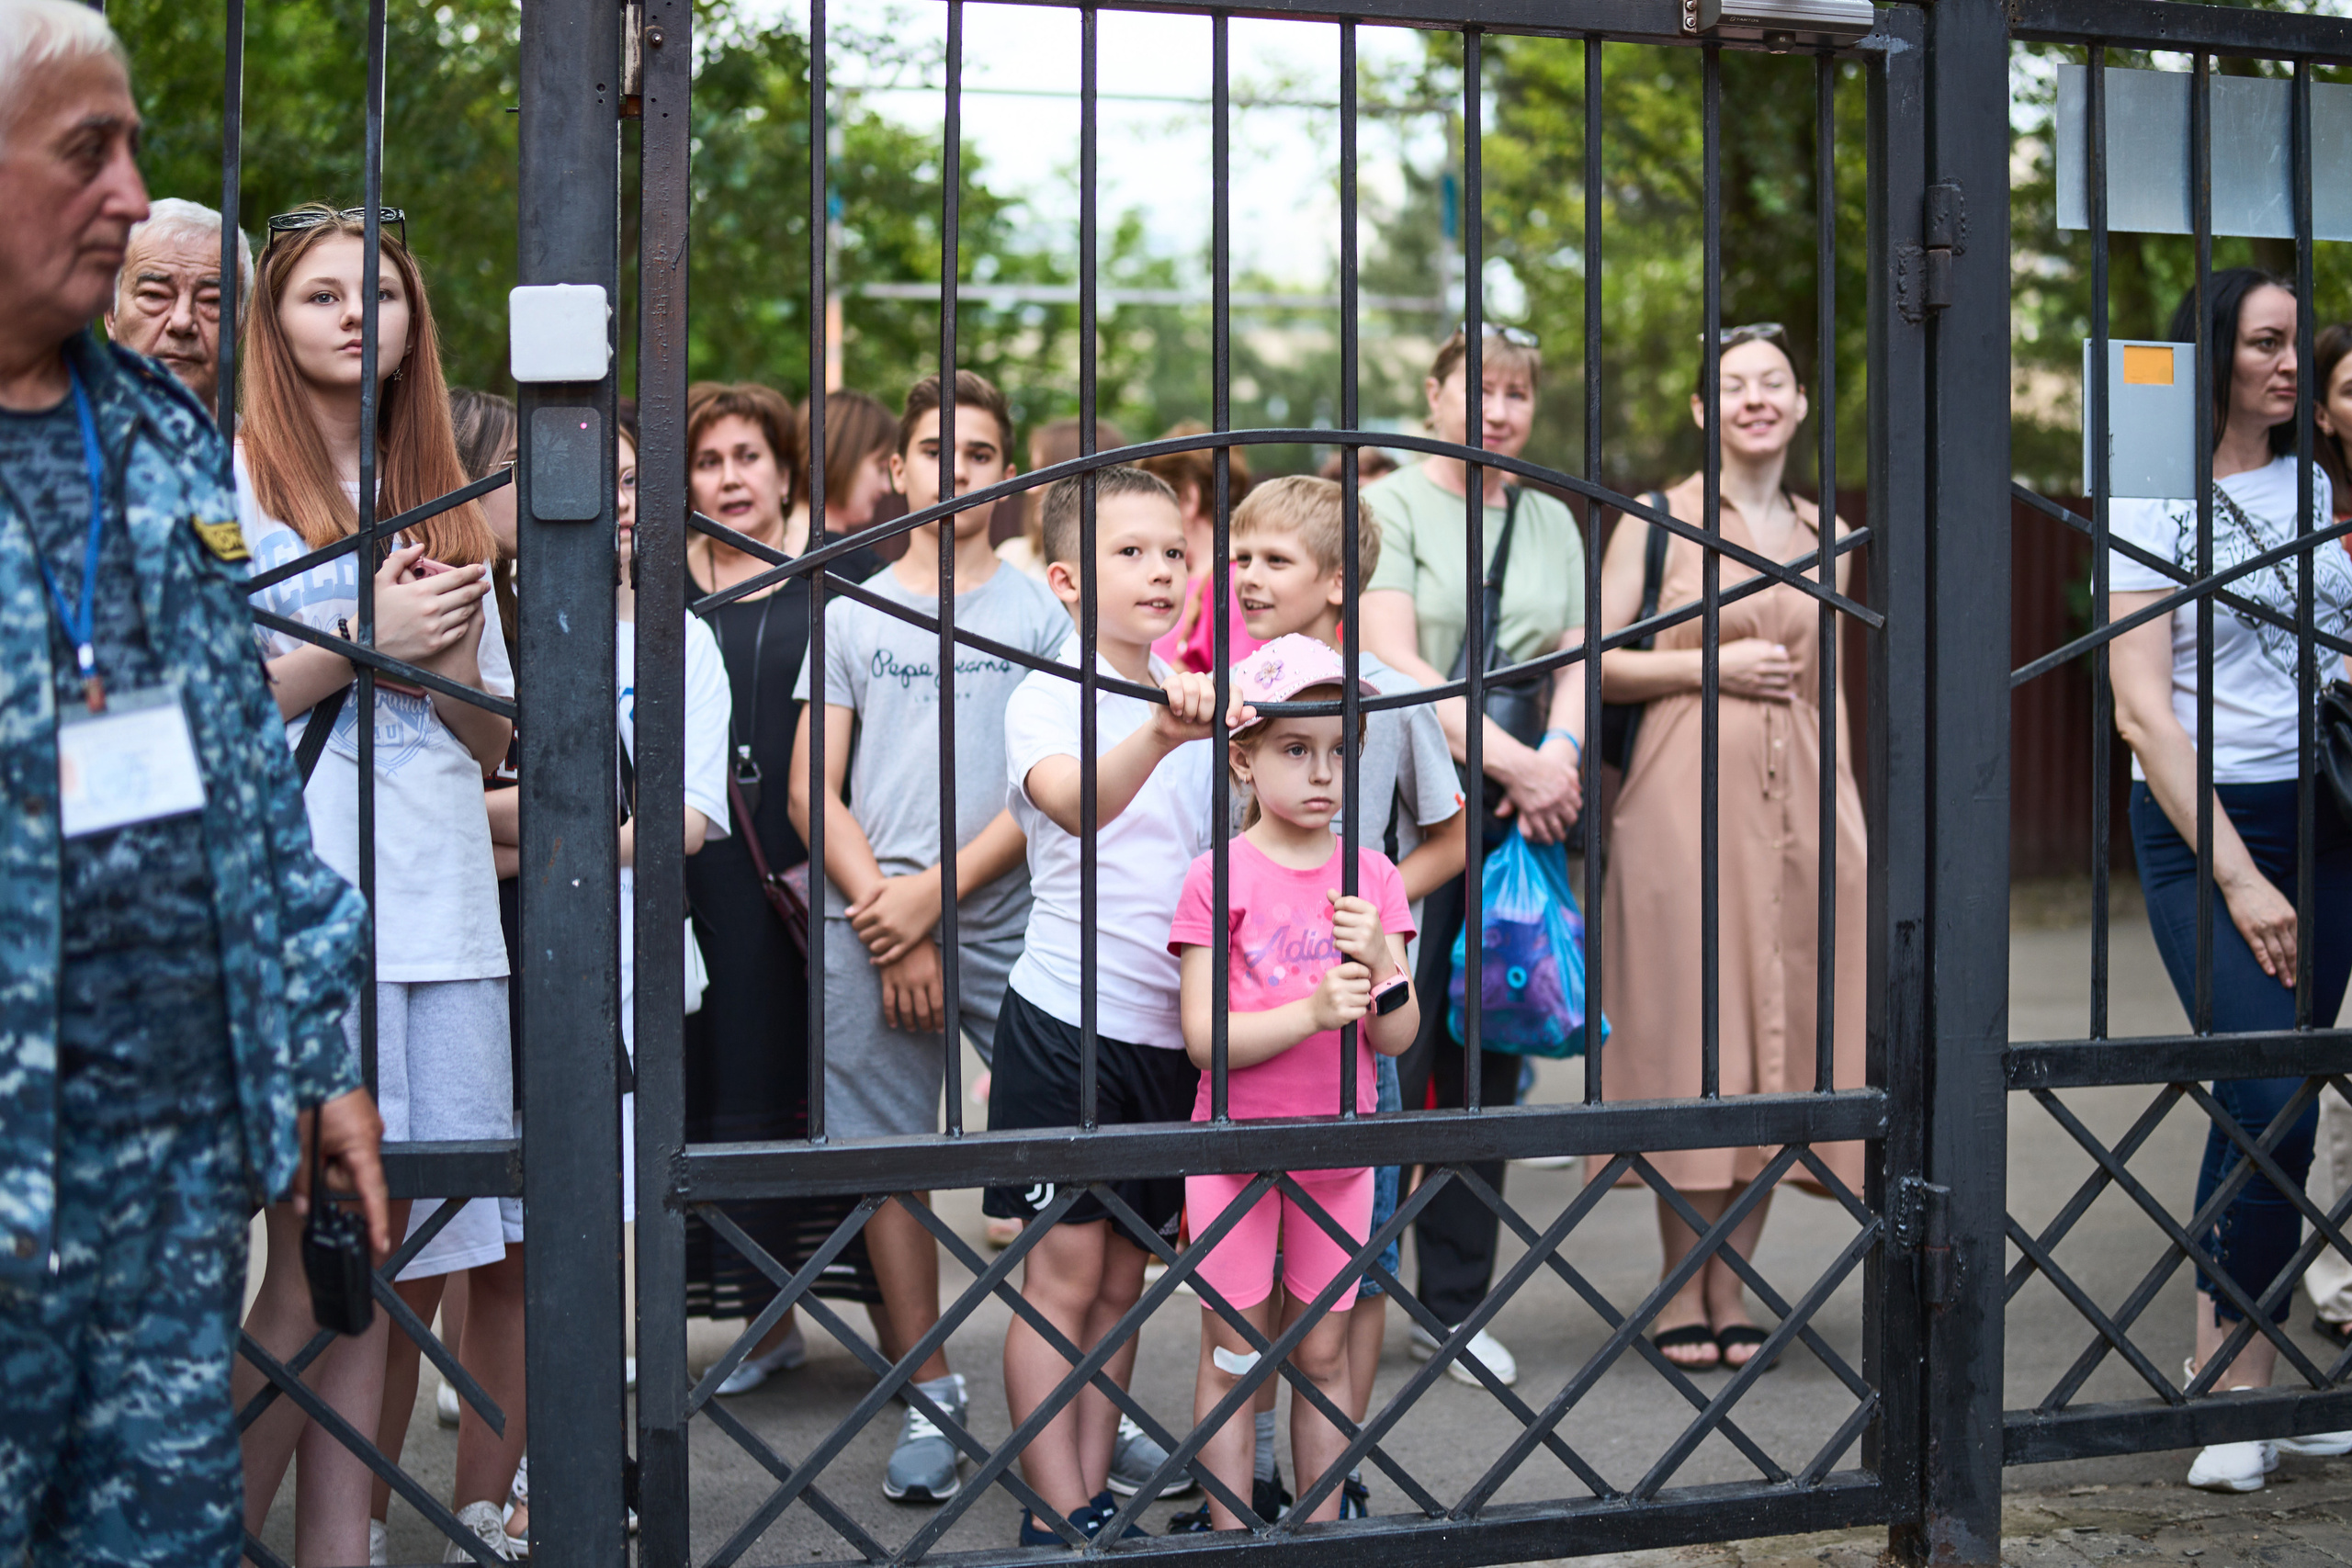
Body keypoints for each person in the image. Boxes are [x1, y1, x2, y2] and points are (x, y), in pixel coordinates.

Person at [0, 9, 384, 1562]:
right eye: (87, 151)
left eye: (134, 144)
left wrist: (317, 1048)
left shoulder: (156, 440)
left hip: (163, 1186)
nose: (128, 188)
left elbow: (237, 782)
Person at [231, 204, 517, 1563]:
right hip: (298, 910)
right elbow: (202, 704)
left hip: (444, 911)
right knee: (310, 1260)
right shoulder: (227, 478)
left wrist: (446, 662)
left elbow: (493, 736)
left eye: (384, 296)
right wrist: (362, 635)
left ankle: (339, 1548)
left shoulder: (445, 493)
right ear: (275, 326)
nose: (358, 316)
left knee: (391, 1268)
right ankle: (189, 1530)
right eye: (323, 297)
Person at [788, 370, 1072, 1504]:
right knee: (888, 1166)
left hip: (1022, 920)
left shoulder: (1040, 612)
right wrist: (891, 921)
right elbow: (815, 790)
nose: (956, 472)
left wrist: (933, 901)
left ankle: (1076, 1388)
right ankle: (931, 1393)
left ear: (1008, 474)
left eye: (982, 452)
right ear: (894, 471)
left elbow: (1052, 784)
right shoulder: (853, 610)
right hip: (872, 926)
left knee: (1073, 1154)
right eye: (935, 450)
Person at [2106, 271, 2352, 1494]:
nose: (2289, 362)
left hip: (2325, 818)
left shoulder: (2315, 482)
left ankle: (2235, 1377)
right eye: (2265, 342)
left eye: (2297, 343)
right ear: (2213, 353)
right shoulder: (2150, 492)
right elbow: (2143, 711)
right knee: (2265, 1096)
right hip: (2207, 831)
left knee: (2283, 1095)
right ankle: (2230, 1393)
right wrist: (2244, 877)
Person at [1591, 321, 1866, 1374]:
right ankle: (1679, 1286)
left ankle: (1734, 1282)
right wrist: (1706, 669)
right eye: (1733, 385)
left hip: (1803, 807)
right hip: (1677, 807)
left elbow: (1832, 692)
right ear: (1706, 411)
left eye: (1774, 383)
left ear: (1798, 406)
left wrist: (1842, 820)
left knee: (1777, 1038)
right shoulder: (1656, 523)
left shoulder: (1824, 529)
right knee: (1686, 1035)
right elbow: (1593, 661)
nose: (1755, 398)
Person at [988, 465, 1248, 1545]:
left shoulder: (1190, 695)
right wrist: (1162, 733)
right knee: (1062, 1273)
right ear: (1065, 581)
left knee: (1123, 1278)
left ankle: (1093, 1497)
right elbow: (1077, 806)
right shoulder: (1047, 695)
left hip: (1162, 1035)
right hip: (1065, 1023)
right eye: (1127, 554)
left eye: (1172, 554)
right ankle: (1056, 1508)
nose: (1158, 572)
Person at [1221, 475, 1463, 1520]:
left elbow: (1449, 836)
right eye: (1238, 558)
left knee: (1355, 1272)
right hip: (1247, 1021)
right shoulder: (1229, 688)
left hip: (1358, 1021)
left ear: (1334, 583)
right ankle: (1253, 1463)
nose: (1246, 578)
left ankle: (1337, 1470)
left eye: (1273, 561)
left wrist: (1364, 906)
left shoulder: (1387, 699)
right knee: (1245, 1270)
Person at [1359, 323, 1588, 1388]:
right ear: (1434, 393)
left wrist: (1560, 756)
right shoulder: (1393, 501)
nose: (1497, 411)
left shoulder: (1552, 519)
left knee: (1486, 1057)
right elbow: (1391, 658)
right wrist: (1515, 761)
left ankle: (1451, 1306)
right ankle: (1352, 1279)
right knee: (1389, 1049)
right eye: (1478, 390)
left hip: (1516, 807)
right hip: (1411, 799)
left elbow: (1573, 662)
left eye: (1514, 394)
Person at [1167, 635, 1419, 1534]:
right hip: (1234, 1153)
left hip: (1340, 1156)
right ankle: (1233, 1531)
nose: (1323, 772)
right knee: (1235, 1352)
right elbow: (1203, 1041)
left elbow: (1396, 1033)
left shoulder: (1374, 875)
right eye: (1295, 749)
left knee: (1322, 1351)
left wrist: (1383, 962)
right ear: (1243, 758)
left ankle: (1320, 1527)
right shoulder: (1216, 876)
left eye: (1339, 751)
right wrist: (1313, 1012)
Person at [682, 381, 884, 1393]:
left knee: (831, 1083)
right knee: (720, 1084)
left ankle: (902, 1330)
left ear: (784, 465)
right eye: (709, 460)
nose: (729, 478)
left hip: (818, 866)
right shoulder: (655, 585)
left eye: (746, 456)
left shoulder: (843, 575)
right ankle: (760, 1324)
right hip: (696, 871)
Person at [102, 195, 250, 412]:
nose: (182, 322)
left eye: (211, 300)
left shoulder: (265, 447)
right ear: (110, 314)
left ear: (239, 327)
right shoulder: (53, 443)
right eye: (155, 295)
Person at [1139, 425, 1257, 671]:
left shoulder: (1233, 582)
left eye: (1155, 499)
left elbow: (1244, 688)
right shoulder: (1196, 577)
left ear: (1188, 499)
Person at [998, 415, 1125, 581]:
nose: (1031, 489)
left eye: (1042, 474)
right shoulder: (1013, 555)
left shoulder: (1122, 566)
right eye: (1033, 472)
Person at [788, 387, 899, 548]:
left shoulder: (757, 550)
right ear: (843, 456)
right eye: (880, 468)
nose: (887, 487)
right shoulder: (859, 565)